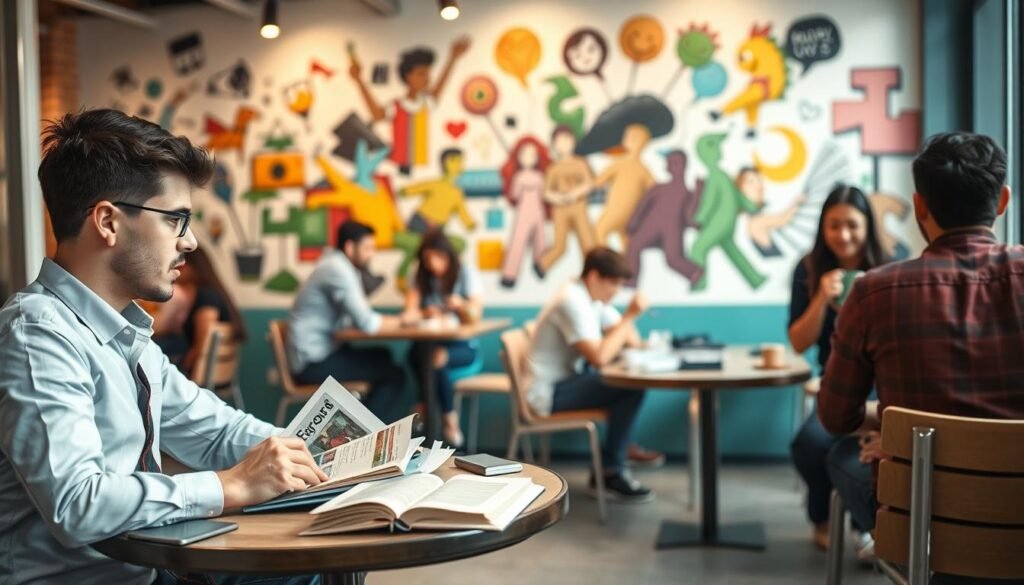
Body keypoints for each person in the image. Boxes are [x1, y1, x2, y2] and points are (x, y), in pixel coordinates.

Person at [0, 109, 326, 585]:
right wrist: (228, 485)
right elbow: (77, 504)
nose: (190, 242)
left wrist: (333, 456)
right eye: (176, 219)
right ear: (108, 222)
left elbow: (216, 432)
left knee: (311, 568)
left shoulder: (126, 335)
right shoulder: (37, 334)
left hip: (156, 570)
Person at [819, 132, 1024, 585]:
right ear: (1003, 200)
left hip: (926, 521)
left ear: (919, 207)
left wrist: (896, 431)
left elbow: (836, 416)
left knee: (840, 456)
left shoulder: (873, 291)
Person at [787, 185, 886, 554]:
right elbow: (797, 341)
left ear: (867, 227)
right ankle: (823, 516)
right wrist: (820, 299)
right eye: (833, 225)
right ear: (822, 228)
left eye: (852, 225)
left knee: (856, 448)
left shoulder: (889, 265)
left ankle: (862, 522)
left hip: (882, 384)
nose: (843, 235)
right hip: (836, 383)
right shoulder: (809, 268)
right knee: (809, 444)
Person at [526, 247, 656, 501]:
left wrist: (625, 323)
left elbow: (630, 340)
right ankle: (611, 470)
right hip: (546, 393)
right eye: (614, 283)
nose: (617, 290)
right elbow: (599, 358)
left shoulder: (591, 299)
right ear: (594, 277)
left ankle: (614, 462)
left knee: (627, 387)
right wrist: (630, 315)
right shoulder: (571, 300)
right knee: (628, 386)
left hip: (565, 382)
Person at [287, 220, 408, 423]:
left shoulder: (339, 266)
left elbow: (358, 318)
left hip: (319, 353)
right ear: (350, 247)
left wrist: (399, 320)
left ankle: (359, 428)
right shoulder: (337, 269)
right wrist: (404, 321)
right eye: (367, 248)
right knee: (395, 375)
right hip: (312, 362)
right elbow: (367, 323)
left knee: (384, 355)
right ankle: (365, 435)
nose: (372, 254)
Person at [400, 228, 483, 447]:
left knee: (433, 358)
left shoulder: (465, 272)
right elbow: (409, 314)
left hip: (463, 347)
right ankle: (448, 418)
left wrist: (462, 305)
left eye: (438, 257)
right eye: (427, 259)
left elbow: (476, 314)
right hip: (430, 345)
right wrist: (427, 312)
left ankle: (426, 407)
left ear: (448, 255)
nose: (433, 264)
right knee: (423, 355)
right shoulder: (419, 276)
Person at [152, 246, 248, 375]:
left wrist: (185, 370)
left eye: (179, 267)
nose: (174, 272)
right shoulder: (211, 293)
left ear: (195, 267)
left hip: (197, 377)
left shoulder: (206, 296)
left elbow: (203, 342)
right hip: (211, 377)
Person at [539, 125, 597, 273]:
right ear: (554, 145)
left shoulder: (580, 164)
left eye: (567, 140)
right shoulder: (553, 169)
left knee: (587, 242)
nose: (563, 144)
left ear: (573, 142)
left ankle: (592, 272)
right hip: (560, 210)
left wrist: (574, 194)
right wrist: (558, 198)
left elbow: (589, 183)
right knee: (560, 245)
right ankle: (542, 266)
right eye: (559, 141)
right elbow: (546, 192)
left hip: (578, 208)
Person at [500, 136, 551, 288]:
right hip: (524, 212)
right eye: (525, 154)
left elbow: (545, 194)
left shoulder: (540, 177)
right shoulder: (519, 177)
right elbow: (514, 194)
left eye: (532, 155)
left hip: (537, 212)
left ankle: (541, 266)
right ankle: (510, 274)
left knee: (540, 240)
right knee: (518, 241)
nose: (528, 158)